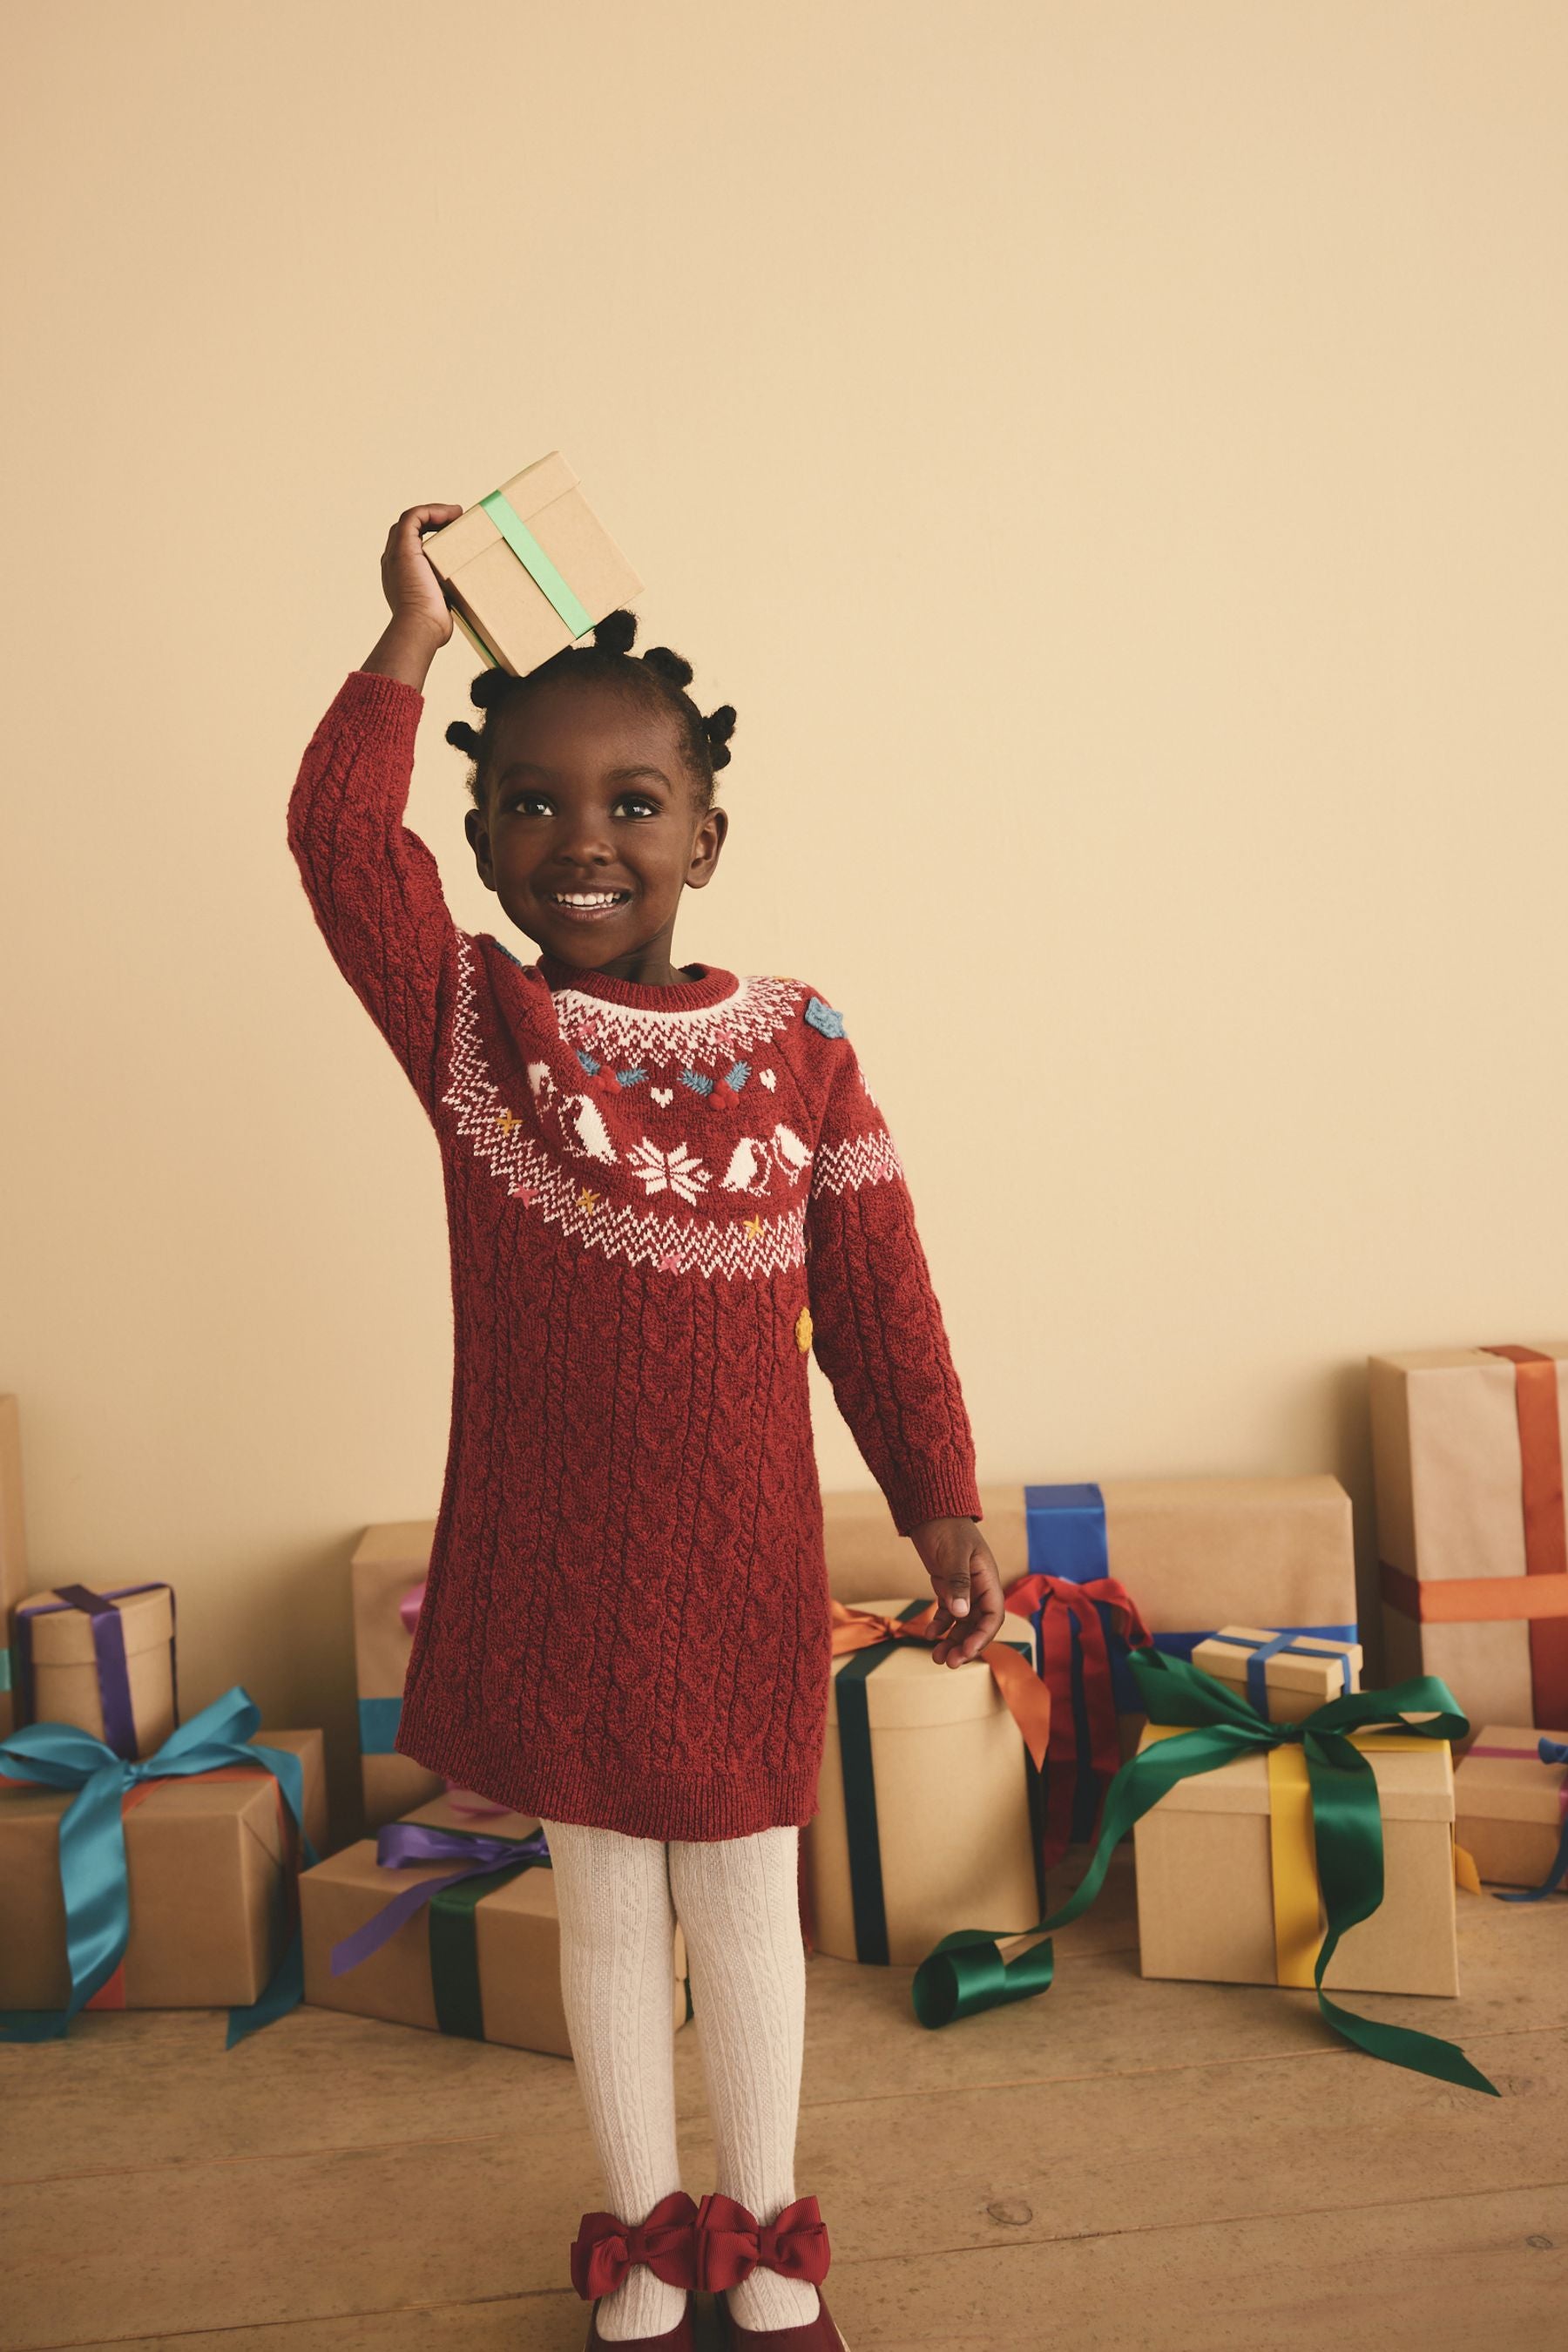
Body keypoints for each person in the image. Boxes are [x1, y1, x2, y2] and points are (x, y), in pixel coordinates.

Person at [287, 504, 1007, 2351]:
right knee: (607, 1910)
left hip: (742, 1562)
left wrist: (943, 1505)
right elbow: (329, 842)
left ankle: (768, 2252)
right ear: (484, 840)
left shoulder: (802, 1041)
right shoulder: (474, 1026)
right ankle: (641, 2243)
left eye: (630, 803)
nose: (583, 841)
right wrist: (408, 640)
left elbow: (876, 1292)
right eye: (531, 804)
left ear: (705, 832)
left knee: (750, 1900)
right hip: (554, 1561)